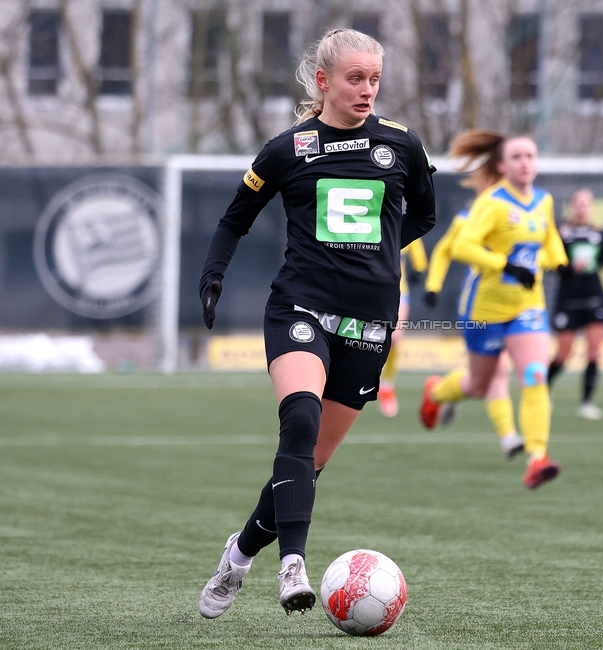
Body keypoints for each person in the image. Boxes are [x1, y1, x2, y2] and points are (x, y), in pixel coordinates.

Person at [196, 29, 435, 619]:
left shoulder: (402, 146)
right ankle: (293, 567)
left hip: (369, 325)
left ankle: (240, 553)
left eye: (375, 79)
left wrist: (375, 255)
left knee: (308, 463)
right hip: (298, 308)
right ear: (323, 81)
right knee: (298, 421)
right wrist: (212, 276)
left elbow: (426, 215)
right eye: (356, 78)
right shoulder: (288, 149)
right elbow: (233, 221)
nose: (367, 90)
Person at [418, 130, 568, 489]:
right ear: (501, 165)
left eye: (530, 156)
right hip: (483, 309)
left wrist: (554, 262)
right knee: (479, 385)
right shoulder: (492, 203)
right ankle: (437, 392)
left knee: (534, 375)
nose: (525, 163)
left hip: (527, 308)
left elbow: (552, 246)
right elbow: (463, 247)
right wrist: (505, 265)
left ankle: (537, 458)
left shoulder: (544, 201)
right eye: (517, 157)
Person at [421, 147, 523, 459]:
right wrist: (434, 285)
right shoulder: (468, 219)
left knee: (497, 374)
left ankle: (444, 394)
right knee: (494, 374)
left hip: (519, 303)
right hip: (480, 304)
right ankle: (506, 435)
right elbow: (443, 251)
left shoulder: (522, 214)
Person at [546, 189, 603, 419]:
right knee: (564, 352)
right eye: (578, 203)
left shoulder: (598, 232)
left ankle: (586, 401)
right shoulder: (560, 231)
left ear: (591, 207)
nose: (582, 207)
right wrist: (569, 269)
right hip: (568, 297)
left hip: (594, 296)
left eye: (586, 203)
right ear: (571, 206)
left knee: (594, 351)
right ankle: (544, 392)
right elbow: (551, 263)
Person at [377, 238, 427, 417]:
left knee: (395, 339)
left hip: (398, 292)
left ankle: (387, 386)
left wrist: (417, 274)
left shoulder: (403, 225)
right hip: (368, 289)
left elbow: (420, 262)